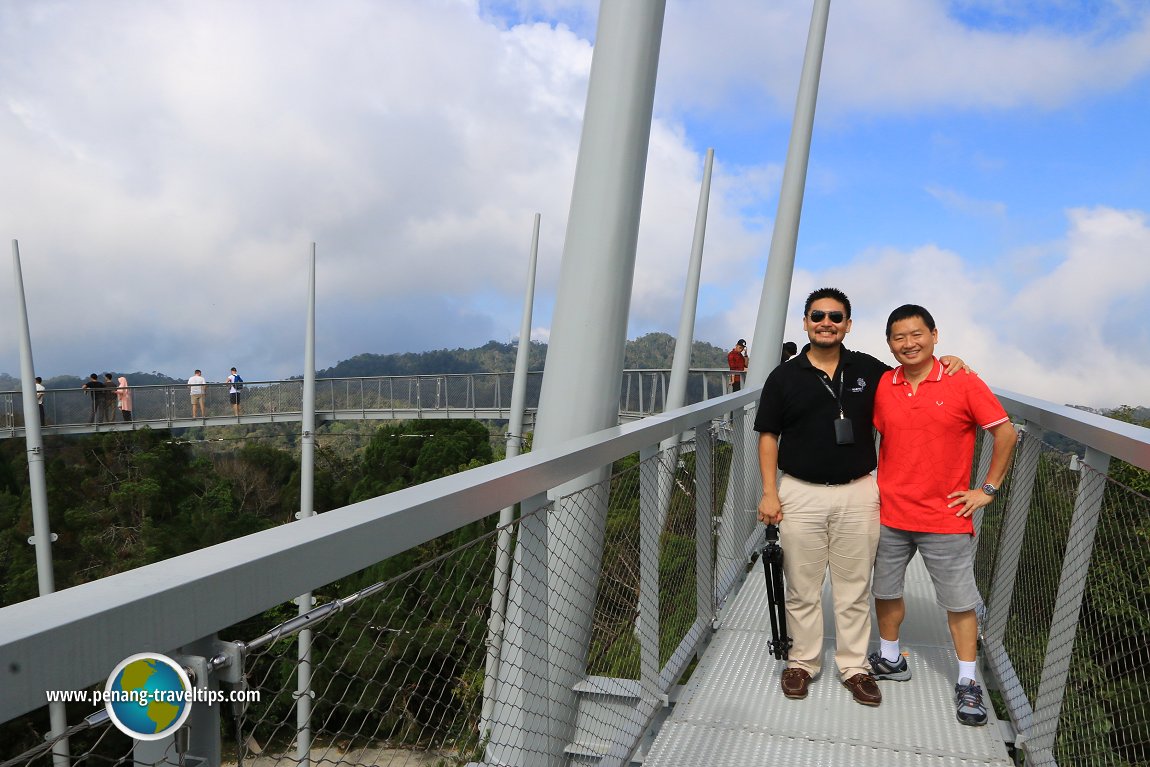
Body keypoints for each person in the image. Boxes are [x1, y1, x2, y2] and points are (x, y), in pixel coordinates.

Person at [754, 287, 968, 708]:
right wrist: (768, 492)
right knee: (802, 586)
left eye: (836, 317)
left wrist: (949, 362)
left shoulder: (870, 370)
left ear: (848, 325)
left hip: (859, 491)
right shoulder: (783, 378)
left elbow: (913, 377)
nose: (826, 323)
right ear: (805, 323)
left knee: (854, 587)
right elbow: (768, 436)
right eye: (818, 316)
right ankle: (803, 661)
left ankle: (854, 666)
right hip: (800, 493)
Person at [867, 304, 1016, 727]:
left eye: (917, 334)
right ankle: (891, 657)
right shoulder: (884, 384)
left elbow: (1004, 432)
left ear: (935, 335)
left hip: (946, 515)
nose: (908, 343)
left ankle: (968, 681)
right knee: (886, 589)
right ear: (889, 343)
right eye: (899, 337)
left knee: (959, 601)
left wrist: (987, 489)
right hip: (891, 510)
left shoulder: (961, 379)